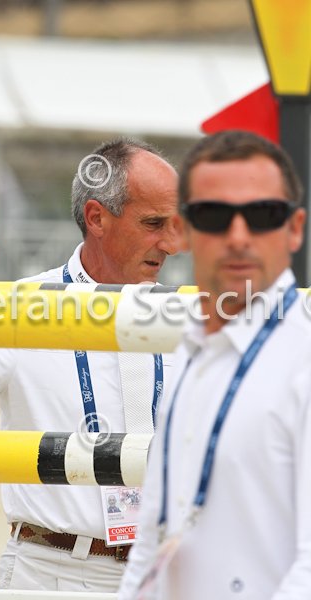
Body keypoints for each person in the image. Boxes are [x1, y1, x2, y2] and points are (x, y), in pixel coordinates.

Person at [0, 138, 182, 592]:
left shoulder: (186, 313)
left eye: (176, 224)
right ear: (96, 218)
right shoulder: (20, 306)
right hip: (53, 573)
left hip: (163, 573)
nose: (173, 244)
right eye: (154, 223)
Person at [119, 130, 311, 600]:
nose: (239, 237)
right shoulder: (192, 349)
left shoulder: (301, 361)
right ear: (183, 231)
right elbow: (152, 543)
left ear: (294, 228)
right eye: (214, 216)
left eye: (263, 215)